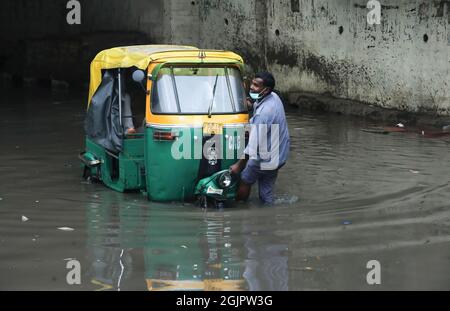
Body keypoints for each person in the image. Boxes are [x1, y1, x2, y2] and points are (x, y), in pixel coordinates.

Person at [230, 72, 290, 204]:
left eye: (256, 85)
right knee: (266, 193)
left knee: (245, 179)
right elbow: (260, 112)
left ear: (266, 89)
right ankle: (268, 213)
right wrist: (251, 105)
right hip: (279, 154)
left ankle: (240, 209)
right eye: (252, 83)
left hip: (265, 156)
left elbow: (252, 146)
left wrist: (238, 165)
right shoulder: (274, 97)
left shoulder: (264, 113)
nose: (251, 87)